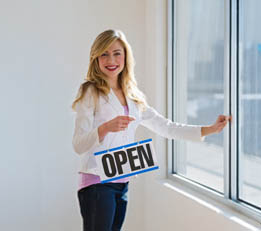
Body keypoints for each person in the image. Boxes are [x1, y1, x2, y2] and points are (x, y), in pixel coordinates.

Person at [72, 29, 231, 231]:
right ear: (96, 57)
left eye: (117, 53)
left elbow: (166, 127)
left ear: (126, 56)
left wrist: (209, 129)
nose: (111, 59)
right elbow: (78, 144)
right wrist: (105, 128)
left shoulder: (133, 95)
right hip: (97, 182)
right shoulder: (90, 91)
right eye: (104, 53)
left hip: (122, 181)